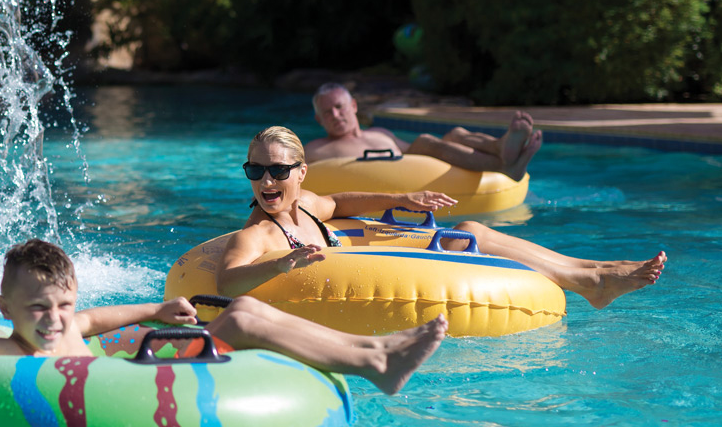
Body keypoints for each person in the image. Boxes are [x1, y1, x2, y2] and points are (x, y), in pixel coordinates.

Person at [0, 239, 449, 427]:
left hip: (135, 378)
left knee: (246, 312)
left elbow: (103, 318)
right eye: (37, 309)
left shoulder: (73, 324)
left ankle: (373, 350)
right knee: (240, 319)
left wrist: (157, 310)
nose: (53, 321)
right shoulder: (6, 345)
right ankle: (375, 362)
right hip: (134, 397)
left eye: (63, 306)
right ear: (6, 307)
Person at [198, 126, 665, 309]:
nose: (265, 181)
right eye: (255, 170)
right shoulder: (259, 232)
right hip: (341, 296)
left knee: (472, 228)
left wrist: (405, 196)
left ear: (300, 173)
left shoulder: (307, 205)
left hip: (360, 256)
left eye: (277, 170)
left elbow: (338, 203)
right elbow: (228, 282)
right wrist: (279, 264)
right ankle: (592, 284)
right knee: (465, 240)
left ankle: (592, 269)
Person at [306, 82, 542, 180]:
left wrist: (444, 144)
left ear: (354, 106)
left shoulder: (380, 132)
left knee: (456, 133)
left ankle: (500, 148)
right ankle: (504, 166)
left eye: (339, 107)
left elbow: (412, 151)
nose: (336, 116)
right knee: (427, 141)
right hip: (400, 177)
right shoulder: (316, 149)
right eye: (327, 113)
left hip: (413, 167)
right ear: (318, 119)